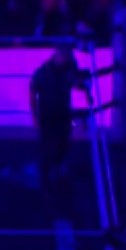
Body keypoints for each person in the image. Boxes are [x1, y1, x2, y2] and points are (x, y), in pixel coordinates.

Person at [29, 46, 81, 199]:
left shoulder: (68, 68)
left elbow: (77, 83)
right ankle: (45, 182)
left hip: (63, 113)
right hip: (48, 115)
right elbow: (32, 92)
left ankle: (57, 174)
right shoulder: (43, 72)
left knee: (63, 144)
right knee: (47, 147)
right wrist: (35, 116)